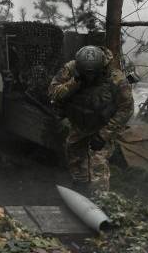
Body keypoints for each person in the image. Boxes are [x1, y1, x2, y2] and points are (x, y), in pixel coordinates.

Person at [48, 45, 134, 194]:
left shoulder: (116, 78)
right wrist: (75, 82)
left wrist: (104, 134)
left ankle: (101, 200)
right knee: (74, 155)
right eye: (86, 74)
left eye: (93, 74)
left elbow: (126, 108)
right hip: (78, 124)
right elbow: (53, 93)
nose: (90, 78)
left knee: (97, 163)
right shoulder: (71, 69)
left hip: (103, 125)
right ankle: (80, 188)